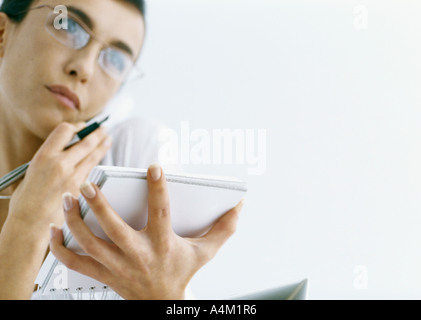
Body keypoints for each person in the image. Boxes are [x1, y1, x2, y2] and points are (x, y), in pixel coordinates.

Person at [0, 0, 244, 300]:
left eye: (114, 59)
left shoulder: (134, 157)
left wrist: (166, 295)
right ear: (2, 33)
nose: (85, 68)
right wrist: (24, 231)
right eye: (68, 26)